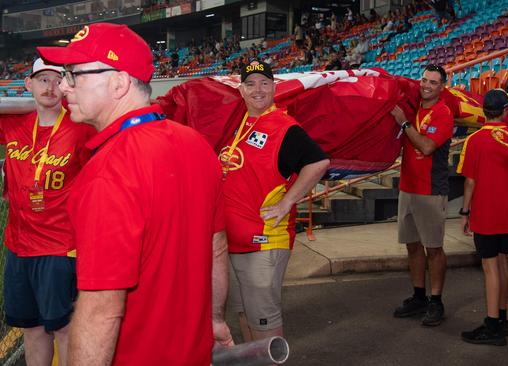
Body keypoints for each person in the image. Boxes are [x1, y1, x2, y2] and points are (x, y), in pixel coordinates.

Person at [37, 22, 233, 364]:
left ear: (118, 82)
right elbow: (217, 249)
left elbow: (101, 310)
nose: (63, 86)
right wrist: (214, 320)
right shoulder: (196, 145)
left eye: (73, 74)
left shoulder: (109, 171)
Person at [221, 59, 329, 341]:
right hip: (234, 241)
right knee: (245, 314)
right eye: (251, 84)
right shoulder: (243, 122)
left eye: (264, 83)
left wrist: (286, 203)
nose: (258, 90)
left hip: (263, 242)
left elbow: (318, 162)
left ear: (274, 87)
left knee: (264, 324)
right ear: (241, 90)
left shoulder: (283, 126)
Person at [0, 58, 94, 366]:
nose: (50, 87)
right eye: (42, 80)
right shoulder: (14, 124)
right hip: (18, 247)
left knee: (65, 330)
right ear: (28, 85)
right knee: (32, 329)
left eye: (57, 80)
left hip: (59, 248)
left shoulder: (80, 128)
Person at [457, 88, 508, 346]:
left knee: (489, 267)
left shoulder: (473, 141)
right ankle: (503, 318)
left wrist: (465, 212)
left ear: (484, 110)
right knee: (503, 262)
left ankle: (492, 324)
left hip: (485, 211)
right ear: (506, 111)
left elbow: (470, 182)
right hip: (507, 209)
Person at [390, 64, 453, 327]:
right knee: (413, 246)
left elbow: (426, 147)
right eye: (424, 80)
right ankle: (418, 296)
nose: (427, 86)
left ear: (442, 87)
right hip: (408, 186)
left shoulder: (443, 113)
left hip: (430, 190)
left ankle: (436, 301)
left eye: (433, 82)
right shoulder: (414, 108)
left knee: (434, 249)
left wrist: (403, 123)